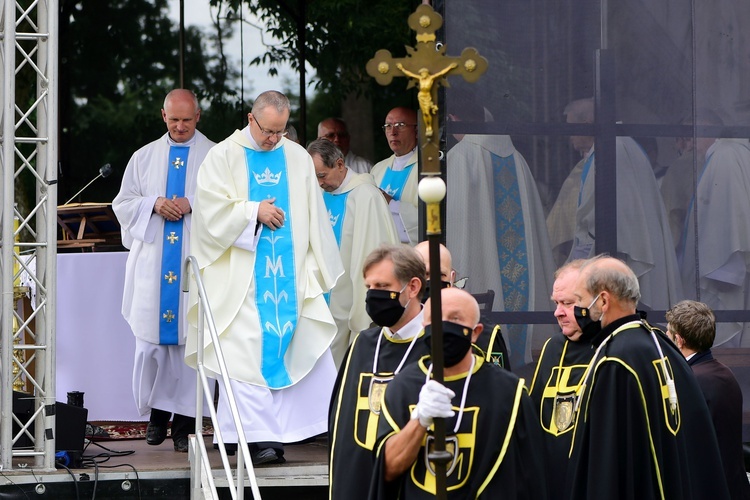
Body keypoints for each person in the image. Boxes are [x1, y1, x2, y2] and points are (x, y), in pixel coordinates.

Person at [185, 90, 344, 465]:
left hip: (289, 276)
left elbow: (313, 211)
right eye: (268, 130)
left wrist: (318, 266)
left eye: (281, 130)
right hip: (240, 281)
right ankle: (260, 440)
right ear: (250, 118)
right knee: (243, 354)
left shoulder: (296, 158)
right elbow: (208, 214)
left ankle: (282, 430)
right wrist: (252, 211)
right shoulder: (222, 156)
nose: (274, 138)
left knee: (298, 343)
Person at [565, 255, 730, 499]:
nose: (575, 310)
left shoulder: (616, 360)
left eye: (579, 300)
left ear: (602, 300)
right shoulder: (659, 342)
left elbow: (608, 463)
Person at [369, 287, 548, 499]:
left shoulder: (509, 393)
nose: (443, 326)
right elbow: (388, 469)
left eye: (455, 319)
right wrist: (419, 420)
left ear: (476, 332)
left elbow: (533, 478)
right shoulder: (403, 387)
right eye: (435, 319)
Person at [112, 89, 215, 453]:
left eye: (187, 119)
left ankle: (185, 426)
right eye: (174, 119)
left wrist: (193, 204)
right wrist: (153, 203)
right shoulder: (143, 157)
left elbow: (231, 203)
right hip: (154, 264)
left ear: (198, 116)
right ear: (163, 116)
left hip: (195, 261)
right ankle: (157, 418)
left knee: (191, 349)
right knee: (153, 347)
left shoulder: (216, 156)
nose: (181, 126)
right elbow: (122, 202)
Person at [446, 92, 555, 367]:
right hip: (520, 269)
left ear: (453, 120)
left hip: (479, 260)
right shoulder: (515, 157)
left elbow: (457, 225)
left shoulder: (461, 156)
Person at [559, 97, 682, 312]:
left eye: (572, 127)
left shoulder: (613, 149)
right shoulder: (613, 146)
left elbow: (613, 221)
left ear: (588, 123)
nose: (569, 136)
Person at [328, 244, 429, 500]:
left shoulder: (438, 347)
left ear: (413, 287)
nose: (373, 296)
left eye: (383, 287)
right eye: (369, 288)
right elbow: (340, 429)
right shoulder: (362, 345)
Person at [307, 139, 399, 367]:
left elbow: (373, 250)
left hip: (349, 297)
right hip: (323, 299)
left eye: (322, 175)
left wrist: (362, 303)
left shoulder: (365, 195)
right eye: (315, 177)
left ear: (340, 164)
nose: (320, 183)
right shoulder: (320, 195)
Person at [677, 110, 750, 347]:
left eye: (691, 135)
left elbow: (729, 216)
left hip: (723, 281)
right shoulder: (723, 154)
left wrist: (726, 272)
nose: (688, 143)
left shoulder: (726, 154)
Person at [665, 300, 750, 500]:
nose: (665, 338)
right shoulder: (725, 373)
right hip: (735, 487)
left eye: (668, 333)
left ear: (679, 340)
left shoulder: (688, 382)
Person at [528, 259, 594, 500]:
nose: (558, 312)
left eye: (567, 303)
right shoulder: (552, 347)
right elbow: (533, 416)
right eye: (556, 303)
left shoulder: (619, 347)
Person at [414, 240, 510, 370]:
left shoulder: (485, 334)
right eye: (425, 274)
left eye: (440, 275)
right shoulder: (396, 329)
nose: (433, 281)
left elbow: (499, 384)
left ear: (452, 278)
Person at [371, 107, 419, 246]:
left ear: (416, 131)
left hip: (410, 255)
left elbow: (429, 219)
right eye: (388, 126)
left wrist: (390, 203)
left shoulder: (427, 169)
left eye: (400, 125)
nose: (393, 132)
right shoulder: (377, 169)